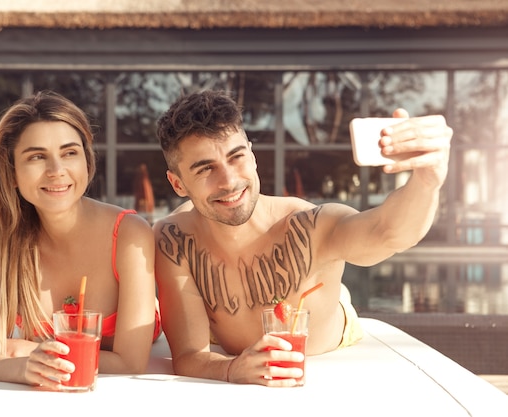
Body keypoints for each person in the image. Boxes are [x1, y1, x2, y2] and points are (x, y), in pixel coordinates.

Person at [153, 89, 452, 386]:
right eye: (206, 168)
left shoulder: (309, 226)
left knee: (327, 288)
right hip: (228, 334)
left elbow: (388, 233)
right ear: (178, 183)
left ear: (253, 155)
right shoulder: (175, 239)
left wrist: (427, 182)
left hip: (330, 337)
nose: (229, 181)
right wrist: (231, 369)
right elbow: (190, 355)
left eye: (237, 157)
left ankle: (340, 299)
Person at [0, 91, 161, 390]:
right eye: (37, 156)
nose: (57, 171)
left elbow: (130, 363)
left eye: (70, 153)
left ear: (86, 160)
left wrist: (28, 351)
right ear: (12, 172)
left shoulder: (129, 235)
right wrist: (24, 370)